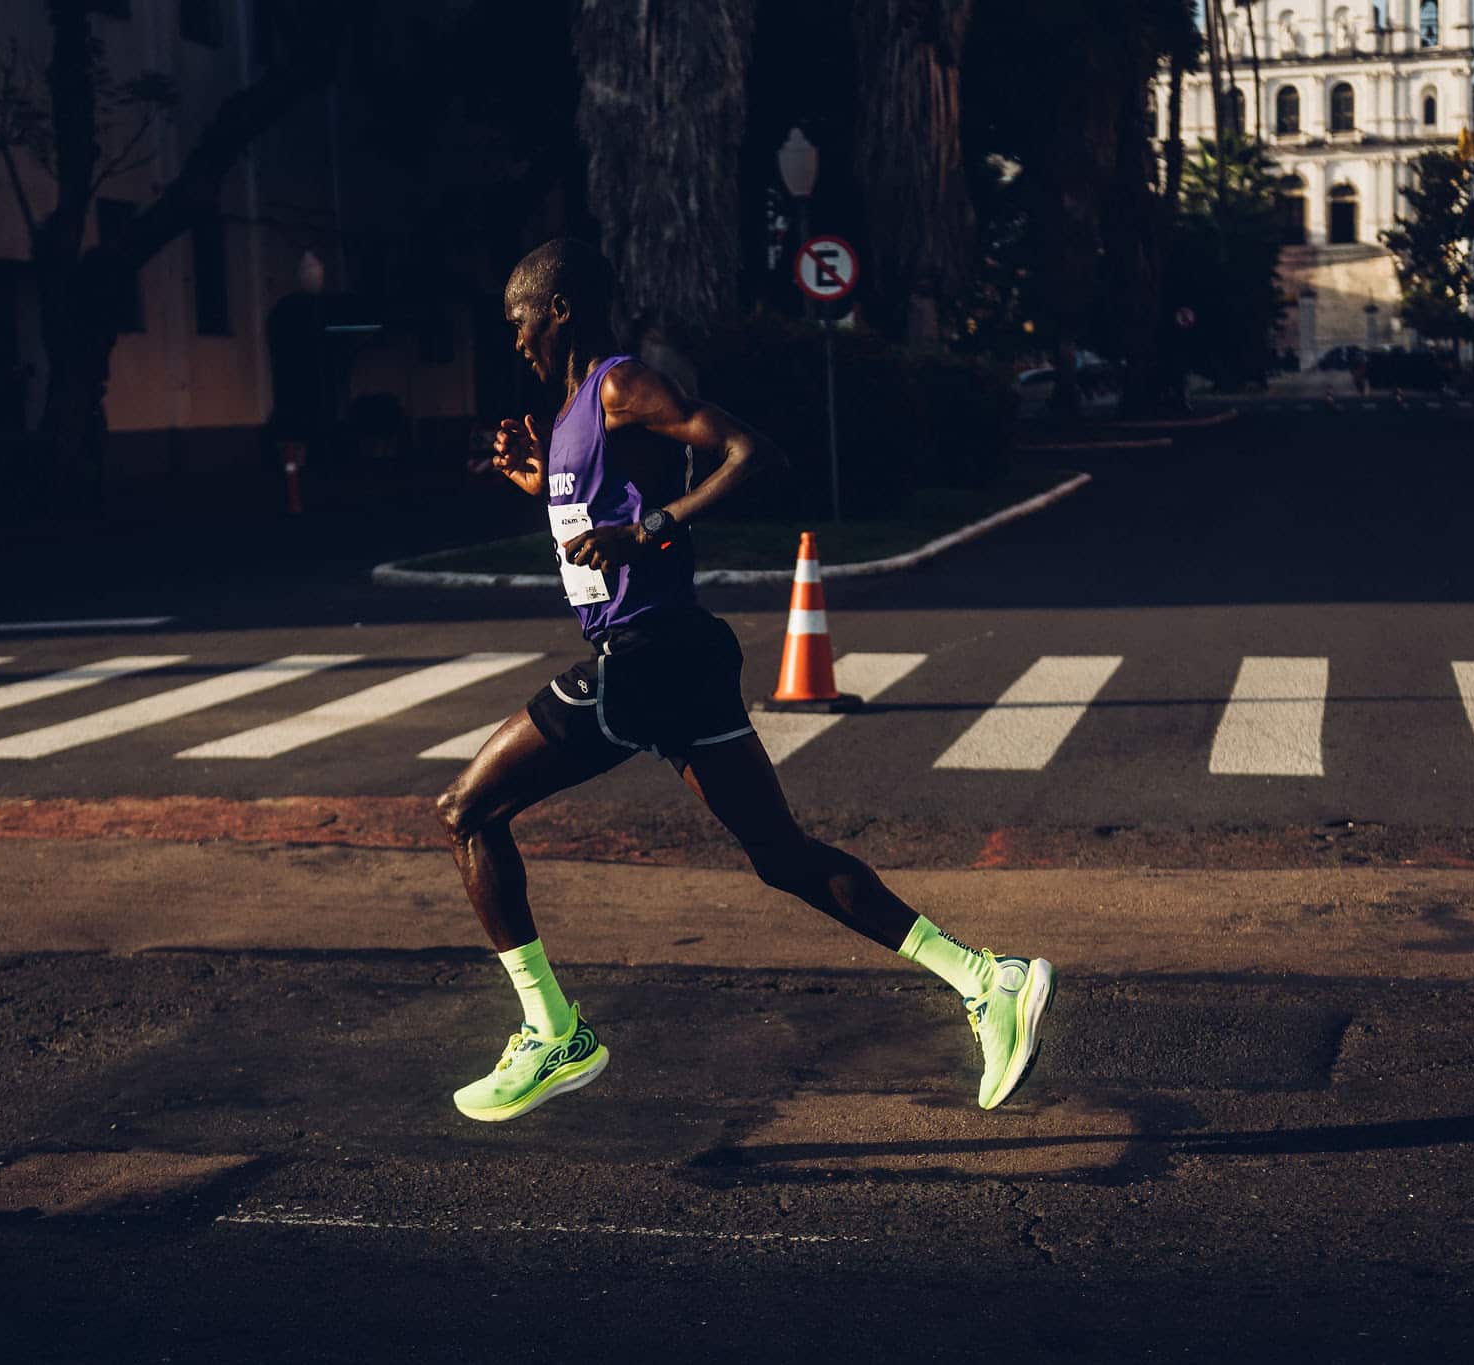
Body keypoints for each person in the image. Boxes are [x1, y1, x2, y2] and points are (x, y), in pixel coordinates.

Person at [437, 239, 1056, 1122]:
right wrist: (531, 477)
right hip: (680, 660)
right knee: (781, 855)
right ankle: (986, 978)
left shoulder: (621, 385)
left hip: (647, 656)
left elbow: (748, 452)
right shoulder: (575, 410)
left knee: (465, 810)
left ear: (559, 309)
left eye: (520, 321)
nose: (516, 340)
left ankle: (552, 1029)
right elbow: (590, 523)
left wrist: (651, 528)